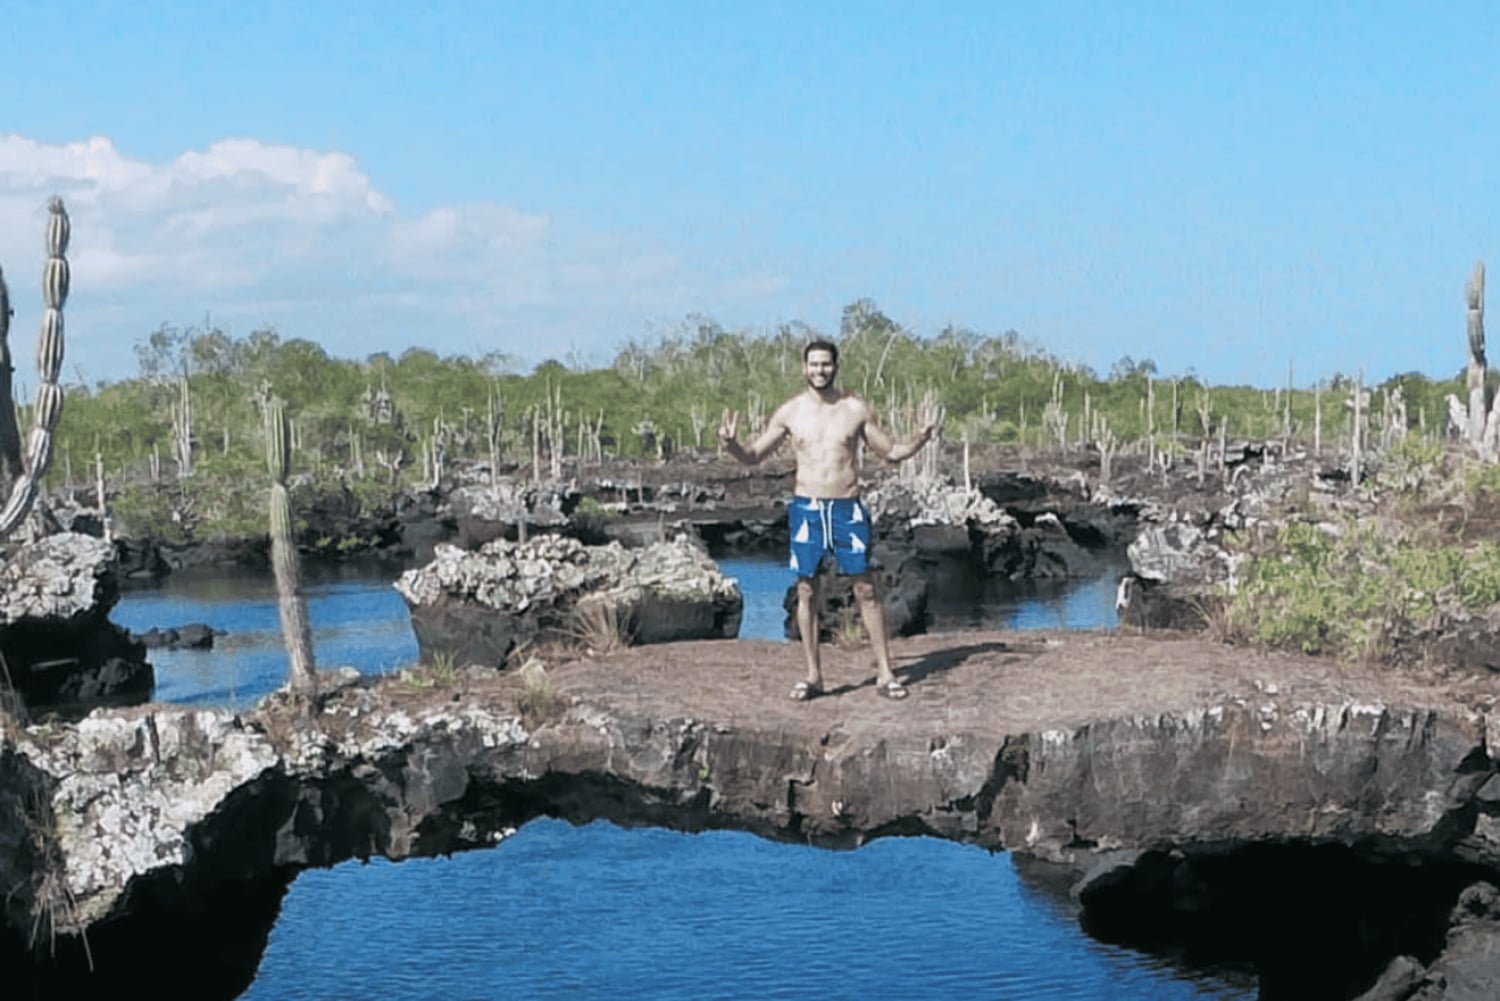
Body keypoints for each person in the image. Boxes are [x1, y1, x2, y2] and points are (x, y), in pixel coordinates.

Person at [718, 339, 937, 702]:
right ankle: (813, 675)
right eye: (814, 364)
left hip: (847, 509)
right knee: (806, 590)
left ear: (835, 367)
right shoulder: (790, 412)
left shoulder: (854, 409)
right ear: (804, 368)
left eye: (826, 364)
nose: (820, 370)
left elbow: (892, 453)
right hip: (807, 509)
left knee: (866, 589)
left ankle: (885, 673)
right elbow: (754, 455)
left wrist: (920, 439)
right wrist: (731, 446)